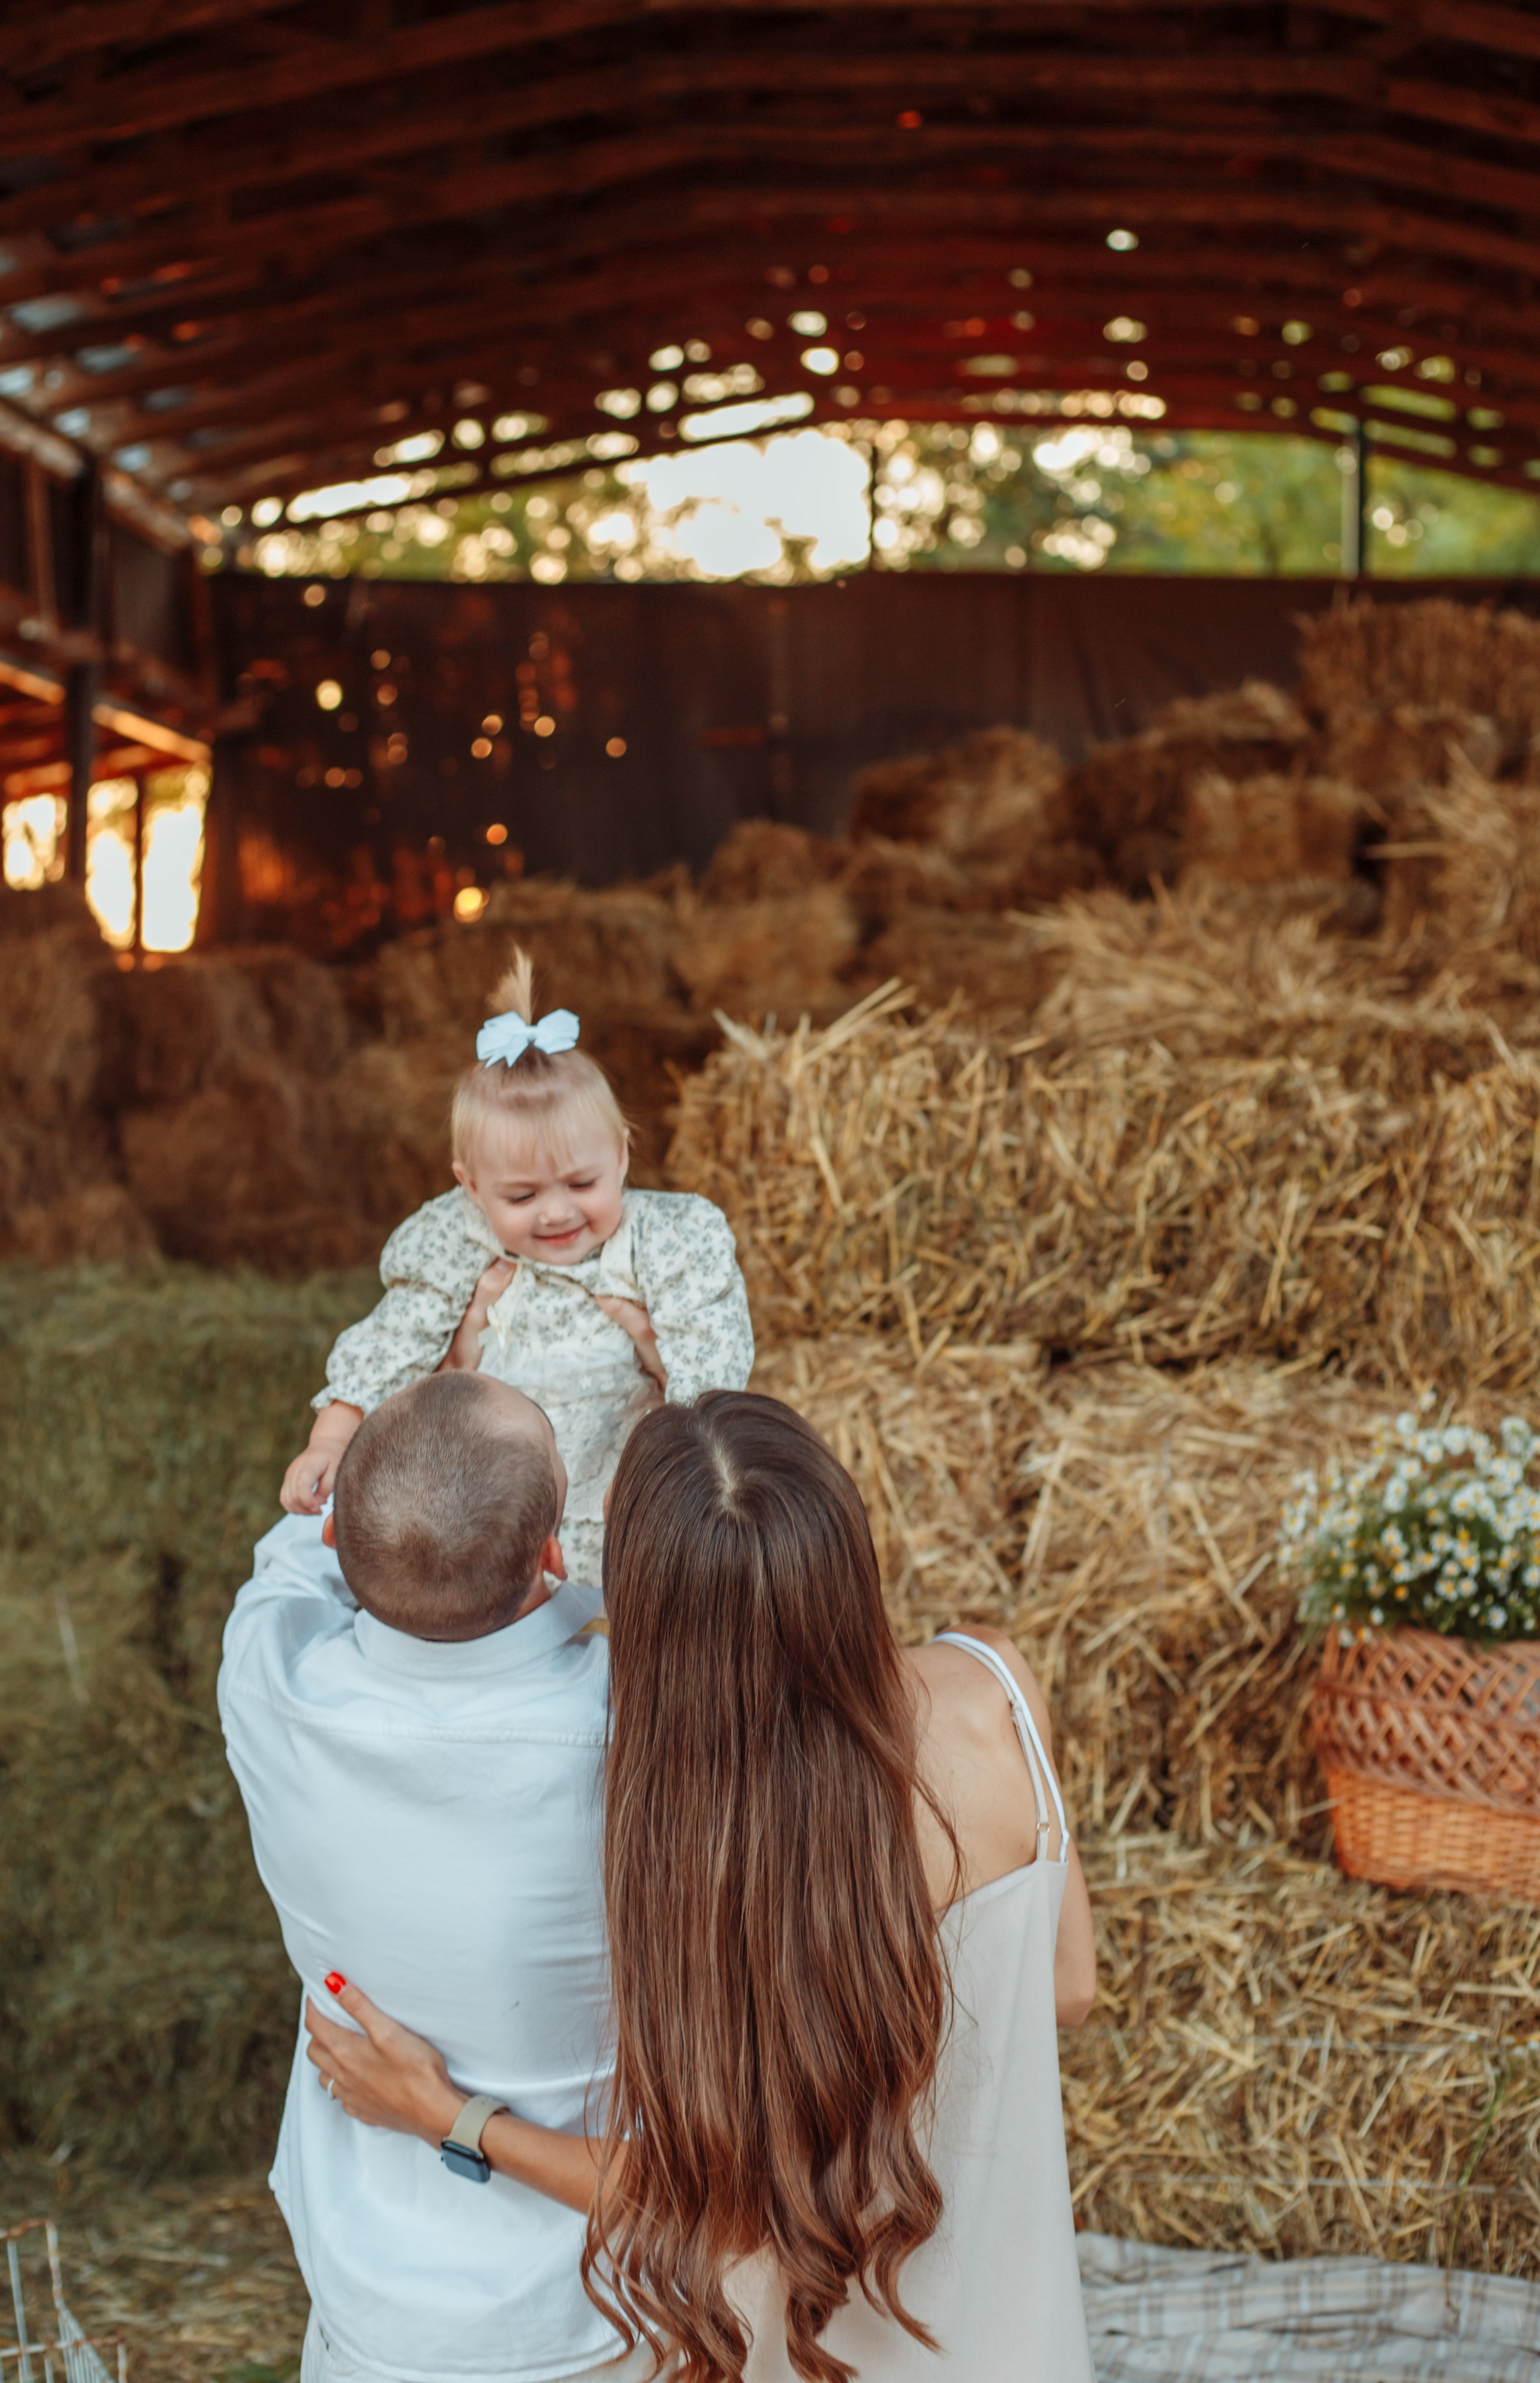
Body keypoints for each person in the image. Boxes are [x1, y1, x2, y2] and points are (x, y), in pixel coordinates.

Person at [306, 1389, 1097, 2382]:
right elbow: (1068, 1987)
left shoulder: (685, 1842)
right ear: (842, 1543)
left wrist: (450, 2117)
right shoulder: (997, 1684)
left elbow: (721, 2210)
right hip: (1004, 2335)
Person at [220, 1369, 655, 2383]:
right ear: (553, 1551)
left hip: (370, 2316)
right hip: (607, 2311)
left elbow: (297, 1547)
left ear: (334, 1537)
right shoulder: (639, 1728)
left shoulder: (268, 1678)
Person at [279, 948, 754, 1581]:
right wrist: (332, 1439)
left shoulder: (666, 1241)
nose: (556, 1213)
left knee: (613, 1640)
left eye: (581, 1183)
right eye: (522, 1196)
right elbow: (393, 1341)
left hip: (623, 1498)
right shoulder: (456, 1240)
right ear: (470, 1186)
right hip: (485, 1507)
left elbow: (708, 1360)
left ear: (621, 1156)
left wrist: (668, 1476)